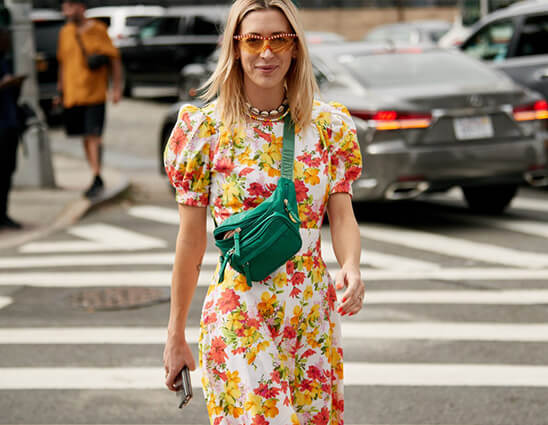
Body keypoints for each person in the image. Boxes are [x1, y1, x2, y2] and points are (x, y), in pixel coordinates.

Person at [163, 1, 365, 424]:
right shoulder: (205, 130)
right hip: (241, 307)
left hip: (311, 309)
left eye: (279, 39)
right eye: (253, 40)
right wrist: (175, 333)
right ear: (235, 48)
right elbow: (190, 240)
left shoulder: (328, 126)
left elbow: (341, 212)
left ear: (296, 48)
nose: (266, 52)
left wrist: (350, 265)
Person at [55, 0, 122, 198]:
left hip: (95, 93)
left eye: (70, 6)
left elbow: (114, 59)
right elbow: (63, 63)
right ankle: (95, 173)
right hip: (73, 95)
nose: (66, 11)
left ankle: (96, 175)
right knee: (85, 137)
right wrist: (60, 91)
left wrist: (116, 88)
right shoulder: (65, 32)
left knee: (94, 136)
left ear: (81, 7)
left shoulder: (98, 29)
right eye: (65, 7)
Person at [0, 12, 24, 230]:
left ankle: (4, 213)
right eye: (5, 38)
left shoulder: (5, 61)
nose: (7, 42)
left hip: (9, 124)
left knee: (8, 172)